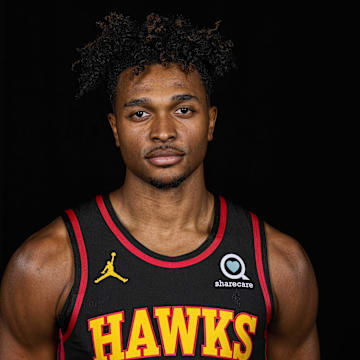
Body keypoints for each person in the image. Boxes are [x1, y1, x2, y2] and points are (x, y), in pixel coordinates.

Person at [0, 12, 319, 359]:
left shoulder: (279, 264)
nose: (163, 132)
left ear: (210, 122)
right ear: (115, 129)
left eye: (183, 110)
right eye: (140, 114)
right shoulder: (45, 266)